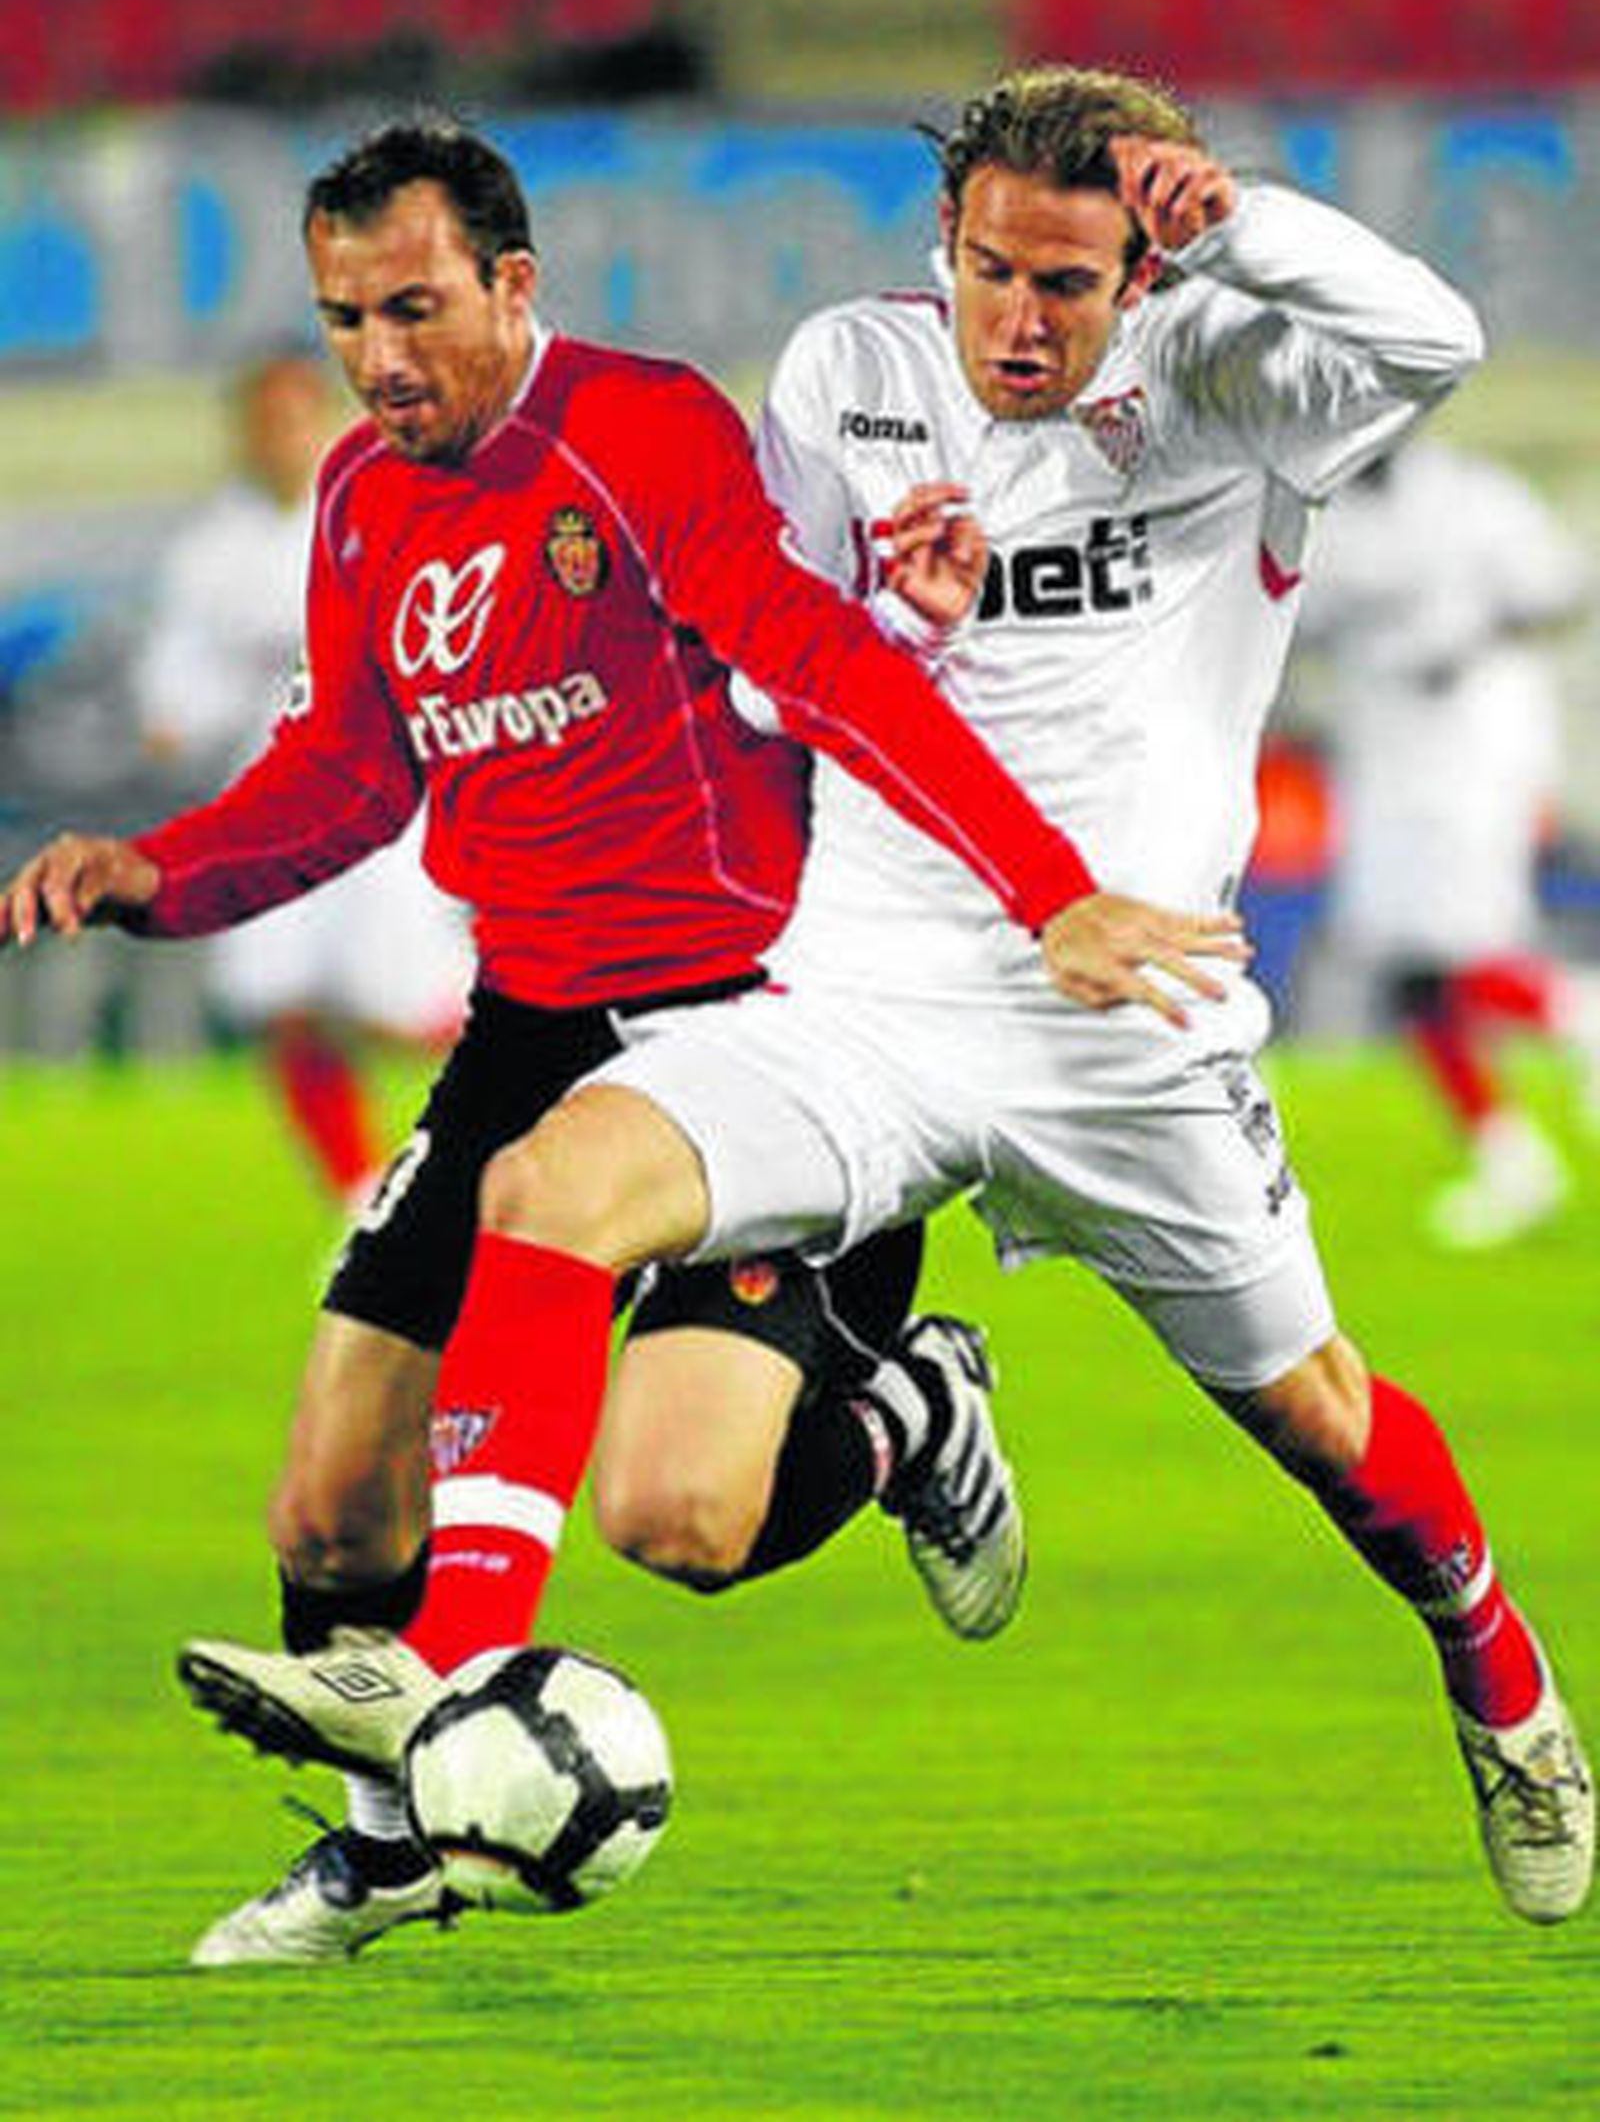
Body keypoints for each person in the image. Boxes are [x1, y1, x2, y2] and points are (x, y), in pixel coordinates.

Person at [163, 67, 1593, 1931]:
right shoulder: (848, 370)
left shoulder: (1247, 382)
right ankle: (446, 1681)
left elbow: (1441, 327)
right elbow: (782, 678)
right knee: (552, 1191)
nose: (1020, 320)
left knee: (1325, 1421)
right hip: (865, 999)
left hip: (1129, 1030)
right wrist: (906, 620)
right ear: (946, 245)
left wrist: (1237, 220)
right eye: (991, 269)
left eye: (1069, 286)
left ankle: (1500, 1678)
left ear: (1142, 273)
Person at [0, 117, 1240, 1966]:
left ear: (515, 283)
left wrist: (1046, 884)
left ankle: (909, 1409)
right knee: (332, 1492)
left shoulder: (642, 432)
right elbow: (348, 770)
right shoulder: (359, 499)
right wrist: (151, 874)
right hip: (530, 1027)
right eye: (346, 318)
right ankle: (384, 1845)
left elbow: (822, 662)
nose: (381, 357)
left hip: (762, 1025)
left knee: (681, 1518)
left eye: (414, 308)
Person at [132, 344, 472, 1206]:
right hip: (264, 802)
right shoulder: (209, 554)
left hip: (379, 800)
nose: (278, 433)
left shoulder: (382, 513)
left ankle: (562, 1068)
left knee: (399, 1001)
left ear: (321, 418)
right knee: (278, 999)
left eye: (293, 414)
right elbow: (182, 681)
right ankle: (363, 1196)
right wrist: (169, 715)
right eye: (262, 418)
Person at [1294, 433, 1600, 1248]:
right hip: (1387, 758)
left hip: (1475, 749)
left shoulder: (1472, 495)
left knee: (1457, 947)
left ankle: (1581, 1020)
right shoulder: (1320, 525)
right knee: (1405, 973)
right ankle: (1512, 1157)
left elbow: (1562, 588)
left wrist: (1469, 632)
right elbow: (1302, 624)